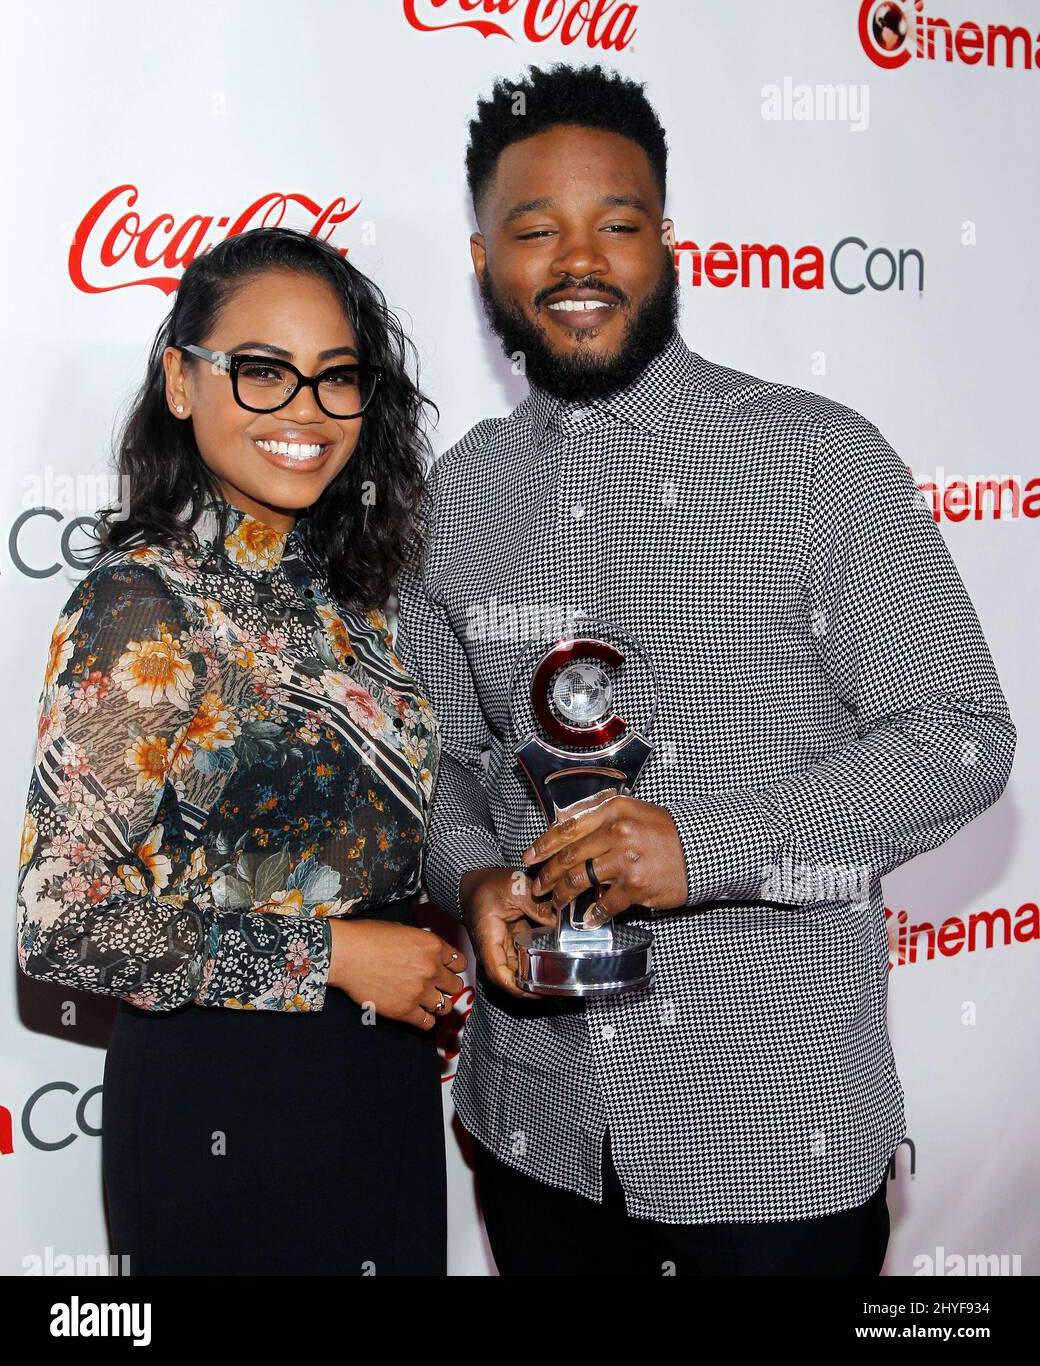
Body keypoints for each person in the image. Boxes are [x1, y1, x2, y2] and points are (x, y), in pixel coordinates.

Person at [393, 63, 1018, 1276]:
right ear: (483, 260)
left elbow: (958, 735)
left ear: (668, 241)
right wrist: (471, 883)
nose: (580, 261)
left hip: (774, 1141)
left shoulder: (816, 459)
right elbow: (438, 759)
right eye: (535, 230)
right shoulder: (457, 492)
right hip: (537, 1128)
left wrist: (706, 845)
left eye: (616, 224)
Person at [16, 226, 464, 1276]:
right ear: (181, 379)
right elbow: (61, 927)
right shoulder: (139, 602)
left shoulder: (345, 600)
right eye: (260, 371)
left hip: (382, 1088)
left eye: (335, 377)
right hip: (224, 1101)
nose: (303, 410)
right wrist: (337, 956)